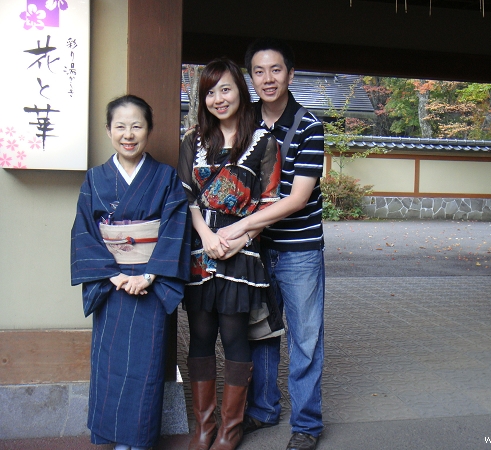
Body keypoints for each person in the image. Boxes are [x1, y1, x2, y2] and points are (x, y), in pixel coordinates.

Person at [217, 38, 325, 450]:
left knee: (305, 336)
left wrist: (242, 225)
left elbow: (297, 198)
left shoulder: (309, 125)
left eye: (276, 70)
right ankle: (262, 409)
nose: (267, 79)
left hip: (298, 250)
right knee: (261, 331)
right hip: (255, 250)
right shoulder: (245, 125)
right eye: (259, 71)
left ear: (291, 74)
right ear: (251, 77)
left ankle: (307, 424)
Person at [70, 94, 191, 450]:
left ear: (149, 131)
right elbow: (84, 233)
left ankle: (138, 440)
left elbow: (174, 228)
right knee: (109, 366)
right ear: (108, 130)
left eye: (137, 125)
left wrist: (150, 276)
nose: (128, 134)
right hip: (112, 284)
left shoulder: (165, 178)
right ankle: (113, 436)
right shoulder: (95, 180)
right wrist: (114, 275)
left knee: (146, 366)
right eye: (120, 126)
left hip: (150, 284)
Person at [177, 58, 281, 450]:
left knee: (235, 336)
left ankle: (230, 429)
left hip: (242, 250)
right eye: (210, 92)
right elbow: (184, 194)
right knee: (201, 335)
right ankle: (204, 427)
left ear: (240, 90)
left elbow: (269, 201)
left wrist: (237, 239)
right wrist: (205, 235)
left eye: (225, 89)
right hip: (200, 250)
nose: (218, 98)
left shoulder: (263, 142)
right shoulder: (193, 141)